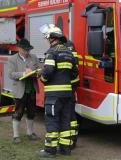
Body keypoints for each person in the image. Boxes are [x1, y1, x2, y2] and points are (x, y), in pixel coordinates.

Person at [38, 24, 79, 158]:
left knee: (52, 121)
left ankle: (50, 150)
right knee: (65, 121)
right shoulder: (68, 52)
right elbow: (74, 73)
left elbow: (48, 71)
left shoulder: (52, 52)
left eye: (47, 37)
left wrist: (43, 78)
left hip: (53, 96)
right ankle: (65, 149)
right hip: (67, 94)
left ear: (51, 38)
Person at [8, 38, 40, 144]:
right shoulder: (12, 59)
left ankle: (30, 133)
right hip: (19, 91)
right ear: (19, 49)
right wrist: (23, 73)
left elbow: (38, 71)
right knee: (18, 112)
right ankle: (16, 136)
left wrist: (35, 73)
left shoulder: (34, 57)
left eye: (28, 50)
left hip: (31, 90)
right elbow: (11, 74)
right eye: (25, 50)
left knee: (31, 112)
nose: (27, 52)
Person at [64, 40, 80, 150]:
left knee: (65, 115)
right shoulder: (73, 53)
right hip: (72, 87)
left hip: (65, 88)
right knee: (72, 115)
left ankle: (67, 141)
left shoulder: (62, 52)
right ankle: (73, 140)